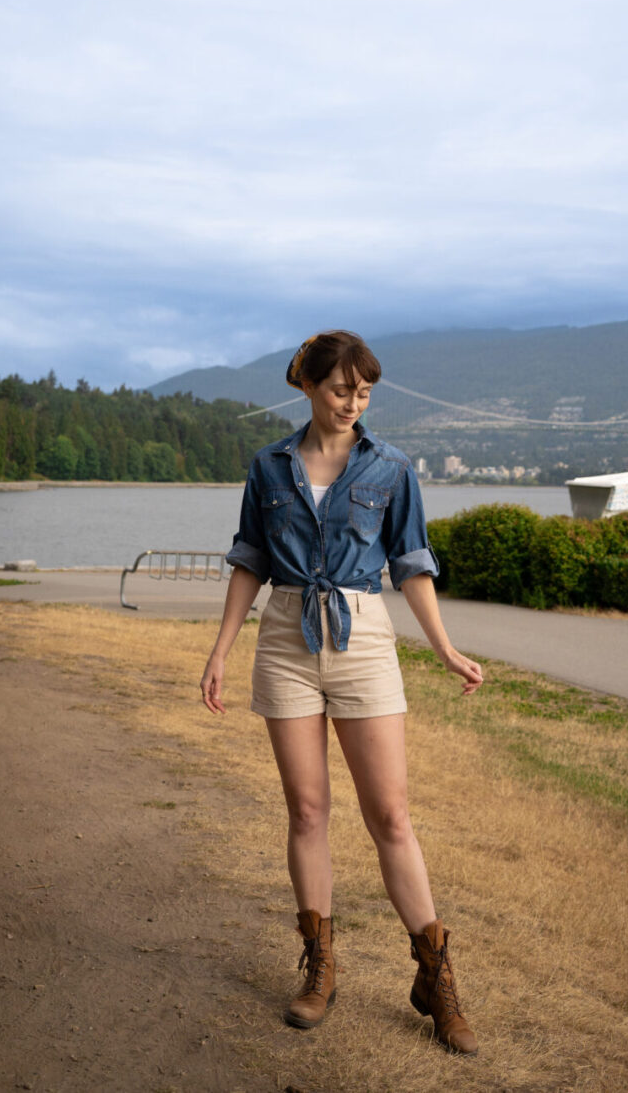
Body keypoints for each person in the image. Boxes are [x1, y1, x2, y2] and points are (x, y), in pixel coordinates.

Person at [199, 330, 484, 1055]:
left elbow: (411, 563)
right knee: (308, 810)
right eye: (339, 390)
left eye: (363, 392)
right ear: (306, 385)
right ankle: (321, 965)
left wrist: (445, 647)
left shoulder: (392, 468)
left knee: (389, 814)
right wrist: (221, 650)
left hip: (362, 635)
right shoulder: (268, 469)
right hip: (287, 635)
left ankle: (435, 976)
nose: (352, 404)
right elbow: (249, 561)